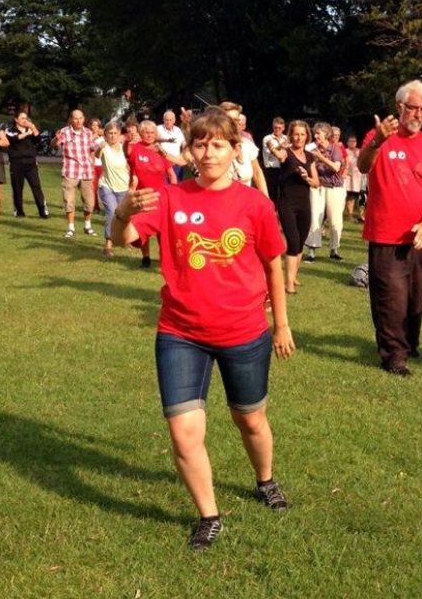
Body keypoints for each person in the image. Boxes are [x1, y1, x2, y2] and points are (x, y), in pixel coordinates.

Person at [110, 109, 295, 551]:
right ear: (190, 150)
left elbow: (273, 263)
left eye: (217, 145)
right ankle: (209, 515)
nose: (208, 152)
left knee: (250, 419)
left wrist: (281, 324)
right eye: (200, 144)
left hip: (244, 331)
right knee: (182, 431)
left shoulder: (255, 204)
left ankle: (264, 479)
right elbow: (124, 238)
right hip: (180, 332)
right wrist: (120, 211)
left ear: (235, 151)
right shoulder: (170, 198)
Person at [357, 80, 422, 376]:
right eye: (414, 107)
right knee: (391, 297)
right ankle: (394, 355)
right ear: (400, 107)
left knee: (417, 294)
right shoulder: (379, 137)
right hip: (386, 235)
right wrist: (377, 142)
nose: (419, 114)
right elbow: (362, 166)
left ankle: (409, 342)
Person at [127, 120, 181, 267]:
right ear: (141, 133)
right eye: (146, 132)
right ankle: (146, 258)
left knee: (162, 231)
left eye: (152, 133)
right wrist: (128, 139)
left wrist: (174, 194)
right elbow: (127, 152)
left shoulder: (160, 150)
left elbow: (172, 175)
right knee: (142, 228)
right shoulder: (135, 149)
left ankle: (165, 258)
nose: (149, 135)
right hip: (142, 196)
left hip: (160, 197)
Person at [278, 120, 320, 293]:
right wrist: (278, 146)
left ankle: (293, 277)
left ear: (307, 136)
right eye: (296, 134)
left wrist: (306, 178)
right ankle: (288, 285)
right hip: (287, 203)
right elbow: (279, 155)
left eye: (302, 134)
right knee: (293, 241)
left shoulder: (310, 157)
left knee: (301, 242)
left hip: (304, 204)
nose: (299, 137)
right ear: (291, 135)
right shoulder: (286, 153)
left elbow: (316, 182)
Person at [303, 122, 346, 261]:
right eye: (315, 133)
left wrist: (320, 158)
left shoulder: (335, 150)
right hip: (317, 187)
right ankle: (311, 252)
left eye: (318, 134)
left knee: (335, 221)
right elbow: (307, 166)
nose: (315, 136)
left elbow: (335, 167)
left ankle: (334, 249)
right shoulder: (311, 149)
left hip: (334, 188)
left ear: (326, 135)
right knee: (315, 218)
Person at [55, 110, 101, 239]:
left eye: (81, 118)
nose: (78, 121)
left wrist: (101, 144)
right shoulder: (65, 132)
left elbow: (93, 148)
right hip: (70, 171)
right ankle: (71, 228)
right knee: (69, 201)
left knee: (90, 203)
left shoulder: (88, 132)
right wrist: (55, 139)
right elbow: (54, 145)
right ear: (71, 119)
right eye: (76, 118)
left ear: (84, 118)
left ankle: (87, 226)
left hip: (86, 171)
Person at [97, 123, 130, 258]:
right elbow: (96, 154)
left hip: (123, 187)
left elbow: (129, 165)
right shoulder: (104, 148)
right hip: (106, 186)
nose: (112, 135)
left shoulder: (124, 149)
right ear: (105, 135)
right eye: (110, 133)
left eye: (115, 133)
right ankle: (108, 245)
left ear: (119, 135)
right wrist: (99, 148)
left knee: (122, 216)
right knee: (111, 213)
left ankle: (124, 240)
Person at [6, 112, 48, 218]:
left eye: (26, 118)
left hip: (31, 163)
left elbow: (38, 140)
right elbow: (13, 139)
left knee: (36, 187)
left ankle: (43, 211)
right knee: (17, 188)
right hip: (16, 163)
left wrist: (33, 128)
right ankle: (19, 211)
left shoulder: (30, 129)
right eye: (22, 118)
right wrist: (26, 133)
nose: (25, 120)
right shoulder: (10, 130)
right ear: (16, 119)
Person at [260, 117, 288, 202]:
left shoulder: (286, 138)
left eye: (280, 128)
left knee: (284, 192)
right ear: (273, 127)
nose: (277, 130)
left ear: (283, 128)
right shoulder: (267, 139)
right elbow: (271, 153)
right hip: (271, 169)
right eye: (276, 127)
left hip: (283, 168)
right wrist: (281, 146)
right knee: (272, 193)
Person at [344, 134, 364, 222]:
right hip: (348, 177)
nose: (352, 143)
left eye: (354, 141)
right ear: (347, 142)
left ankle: (361, 215)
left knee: (359, 197)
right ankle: (349, 215)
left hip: (358, 178)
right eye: (350, 141)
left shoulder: (360, 151)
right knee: (349, 196)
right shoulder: (344, 151)